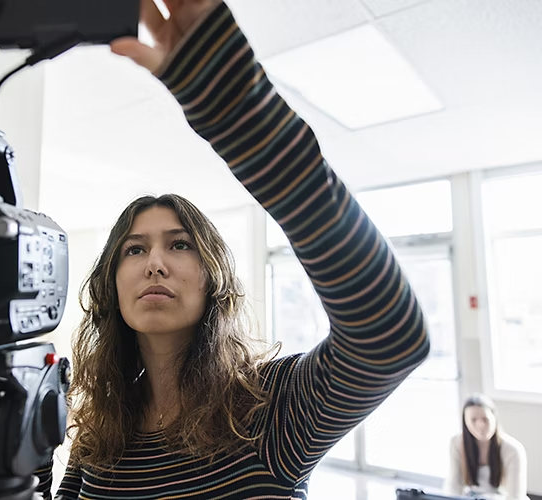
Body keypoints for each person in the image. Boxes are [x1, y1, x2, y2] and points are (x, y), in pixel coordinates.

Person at [36, 0, 431, 497]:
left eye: (179, 245)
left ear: (213, 277)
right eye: (134, 251)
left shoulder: (269, 411)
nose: (155, 262)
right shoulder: (98, 439)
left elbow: (390, 340)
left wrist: (237, 111)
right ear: (111, 284)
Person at [444, 394, 528, 500]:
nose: (480, 425)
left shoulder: (513, 449)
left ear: (494, 418)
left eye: (485, 419)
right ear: (465, 422)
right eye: (473, 420)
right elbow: (453, 486)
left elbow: (515, 496)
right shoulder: (457, 443)